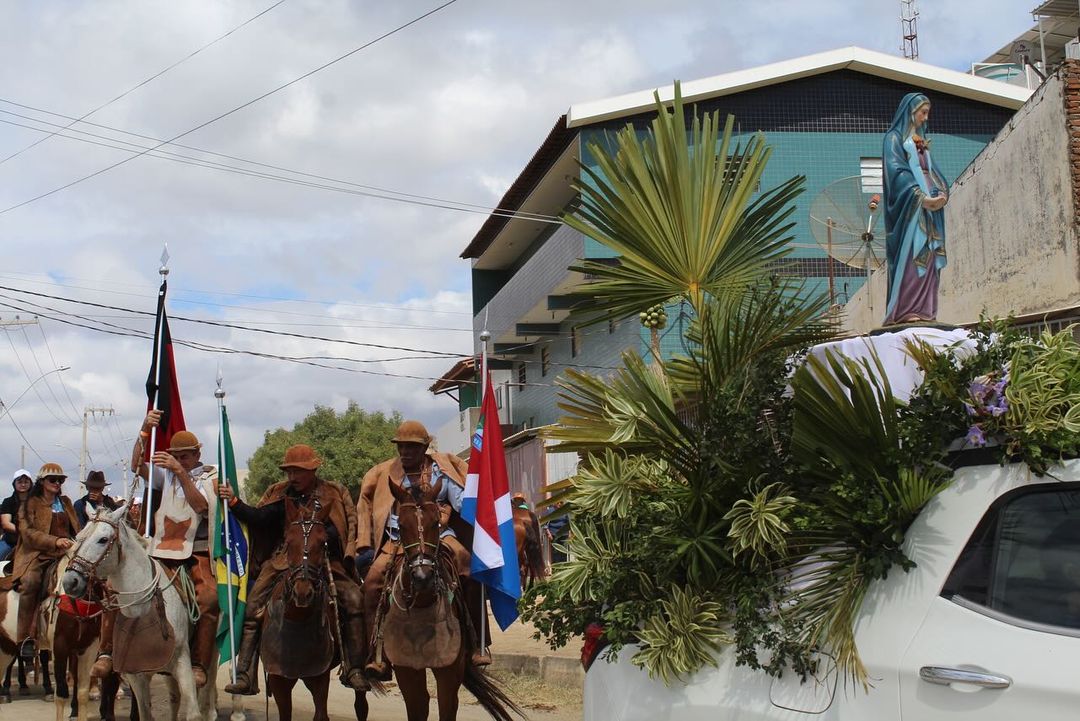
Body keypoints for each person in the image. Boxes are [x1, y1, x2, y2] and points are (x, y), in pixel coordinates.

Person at [215, 444, 368, 694]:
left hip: (324, 559)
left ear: (313, 470)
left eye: (298, 472)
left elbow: (341, 529)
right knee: (254, 604)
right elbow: (259, 518)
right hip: (284, 560)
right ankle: (245, 673)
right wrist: (233, 501)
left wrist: (319, 539)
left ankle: (355, 668)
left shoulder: (332, 494)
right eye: (289, 472)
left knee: (353, 598)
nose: (293, 477)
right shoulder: (281, 495)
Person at [92, 411, 219, 688]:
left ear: (197, 454)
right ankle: (106, 650)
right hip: (161, 549)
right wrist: (144, 429)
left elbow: (201, 507)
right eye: (177, 455)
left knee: (209, 599)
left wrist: (178, 471)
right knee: (116, 588)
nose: (181, 459)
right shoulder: (166, 476)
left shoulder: (210, 476)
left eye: (185, 455)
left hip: (196, 551)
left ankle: (199, 662)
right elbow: (137, 465)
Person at [355, 419, 490, 677]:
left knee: (469, 571)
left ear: (425, 447)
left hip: (438, 535)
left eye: (412, 448)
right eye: (401, 447)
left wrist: (481, 508)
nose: (405, 452)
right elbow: (375, 508)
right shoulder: (387, 474)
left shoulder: (440, 471)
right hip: (399, 538)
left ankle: (476, 644)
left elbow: (462, 503)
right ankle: (375, 653)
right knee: (372, 583)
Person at [882, 92, 949, 326]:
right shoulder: (894, 139)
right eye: (923, 112)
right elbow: (896, 172)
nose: (925, 117)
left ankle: (926, 308)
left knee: (930, 253)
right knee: (912, 254)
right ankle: (907, 308)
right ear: (911, 112)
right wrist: (920, 197)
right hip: (911, 207)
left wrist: (942, 192)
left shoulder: (921, 140)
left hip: (931, 208)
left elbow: (934, 171)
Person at [9, 463, 81, 659]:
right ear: (42, 482)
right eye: (53, 480)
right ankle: (25, 638)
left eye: (61, 480)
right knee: (31, 583)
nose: (57, 483)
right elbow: (28, 533)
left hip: (66, 552)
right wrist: (55, 541)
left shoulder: (66, 502)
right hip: (37, 555)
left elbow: (76, 528)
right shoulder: (29, 504)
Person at [0, 469, 33, 561]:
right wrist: (23, 531)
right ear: (14, 483)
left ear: (30, 484)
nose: (23, 484)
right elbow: (6, 523)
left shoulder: (37, 502)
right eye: (20, 482)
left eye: (26, 482)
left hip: (33, 541)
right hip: (11, 541)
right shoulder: (8, 502)